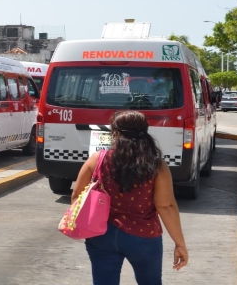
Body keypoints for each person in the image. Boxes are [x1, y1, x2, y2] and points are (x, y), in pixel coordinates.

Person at [71, 110, 188, 285]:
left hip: (102, 235)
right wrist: (180, 244)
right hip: (143, 237)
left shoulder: (98, 159)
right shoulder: (155, 164)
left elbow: (76, 196)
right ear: (145, 132)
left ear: (115, 133)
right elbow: (166, 205)